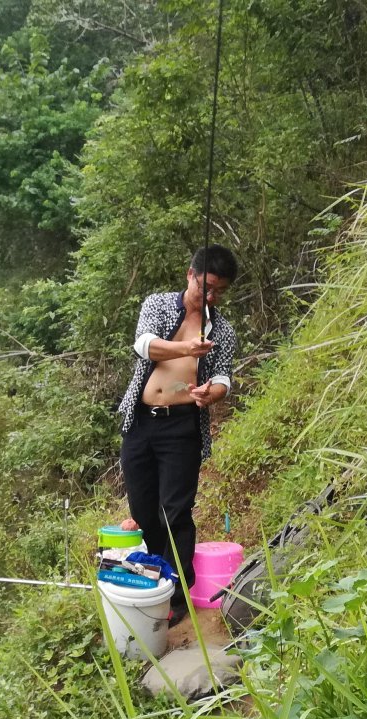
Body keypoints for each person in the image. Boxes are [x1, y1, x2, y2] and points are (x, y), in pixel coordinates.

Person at [116, 244, 239, 623]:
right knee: (142, 509)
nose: (211, 296)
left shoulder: (223, 330)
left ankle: (178, 596)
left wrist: (210, 393)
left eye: (219, 291)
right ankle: (156, 578)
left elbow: (223, 377)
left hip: (182, 426)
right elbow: (144, 346)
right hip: (140, 420)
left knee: (176, 511)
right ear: (190, 275)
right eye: (206, 287)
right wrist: (186, 347)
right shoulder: (159, 304)